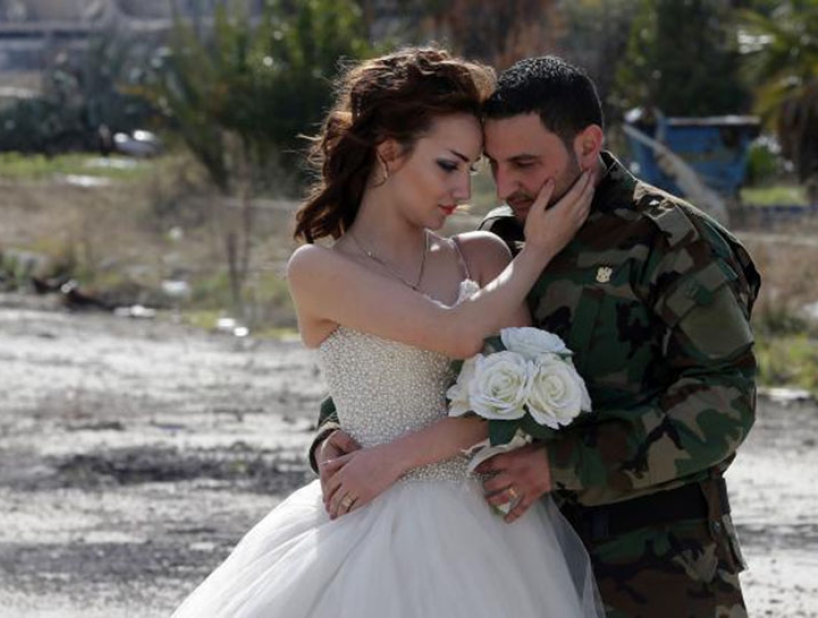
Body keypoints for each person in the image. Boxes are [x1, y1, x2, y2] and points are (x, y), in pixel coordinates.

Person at [311, 56, 761, 618]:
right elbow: (418, 358)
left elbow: (725, 403)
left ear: (588, 144)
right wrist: (337, 429)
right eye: (493, 165)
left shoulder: (671, 240)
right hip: (515, 552)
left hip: (659, 563)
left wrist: (559, 465)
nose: (506, 186)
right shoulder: (500, 239)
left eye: (525, 163)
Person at [171, 48, 602, 618]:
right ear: (389, 151)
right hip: (359, 525)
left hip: (486, 536)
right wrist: (540, 251)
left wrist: (395, 458)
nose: (465, 194)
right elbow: (452, 334)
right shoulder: (319, 271)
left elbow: (517, 406)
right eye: (448, 165)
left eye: (470, 170)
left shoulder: (484, 256)